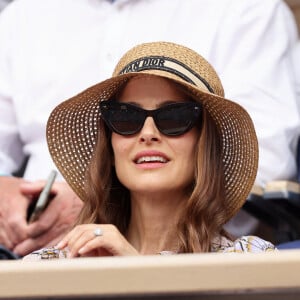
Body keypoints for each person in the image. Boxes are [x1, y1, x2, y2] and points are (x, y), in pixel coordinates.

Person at [0, 0, 298, 257]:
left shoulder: (250, 259)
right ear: (110, 141)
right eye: (125, 118)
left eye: (175, 117)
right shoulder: (21, 15)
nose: (147, 132)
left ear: (205, 143)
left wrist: (91, 201)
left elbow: (267, 155)